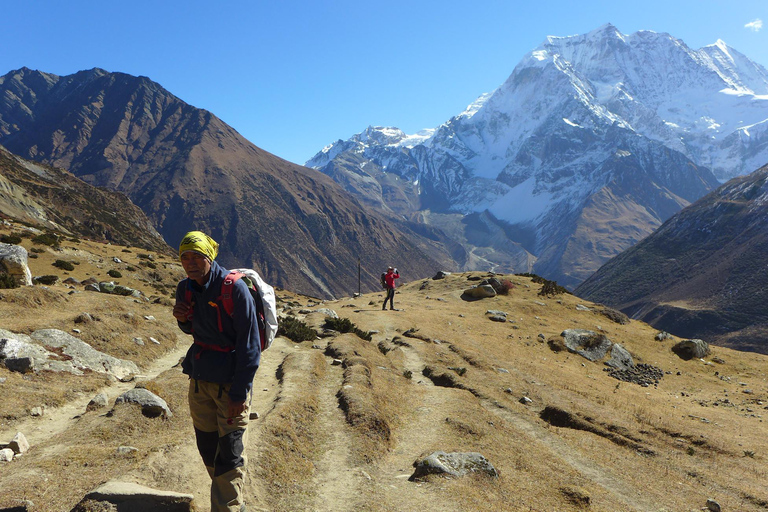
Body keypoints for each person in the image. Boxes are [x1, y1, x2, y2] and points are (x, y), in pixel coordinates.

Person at [172, 231, 260, 512]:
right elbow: (194, 330)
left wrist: (239, 393)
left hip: (230, 385)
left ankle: (230, 507)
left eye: (197, 256)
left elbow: (250, 346)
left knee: (230, 452)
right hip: (199, 382)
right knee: (208, 448)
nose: (190, 262)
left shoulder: (234, 289)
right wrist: (183, 320)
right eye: (185, 257)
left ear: (209, 257)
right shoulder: (185, 288)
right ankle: (229, 496)